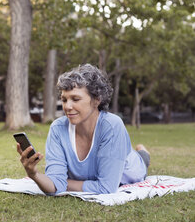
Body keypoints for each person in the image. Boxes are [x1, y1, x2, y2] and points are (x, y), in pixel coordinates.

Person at [17, 64, 150, 194]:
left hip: (132, 168)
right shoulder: (57, 129)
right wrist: (34, 174)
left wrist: (63, 183)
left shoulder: (112, 125)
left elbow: (106, 188)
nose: (67, 106)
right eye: (64, 100)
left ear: (96, 100)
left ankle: (142, 151)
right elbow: (55, 185)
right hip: (111, 156)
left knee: (142, 159)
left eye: (75, 99)